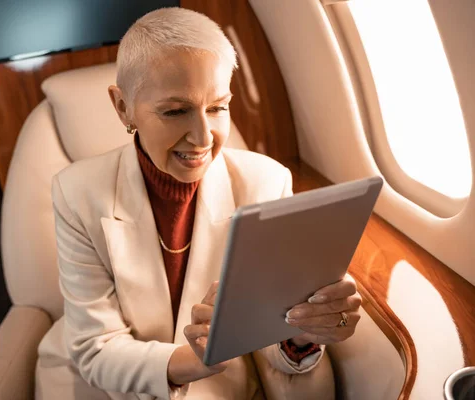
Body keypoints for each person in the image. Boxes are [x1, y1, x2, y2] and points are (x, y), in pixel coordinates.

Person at [35, 7, 361, 400]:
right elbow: (94, 348)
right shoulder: (76, 193)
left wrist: (304, 332)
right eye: (175, 111)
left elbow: (271, 336)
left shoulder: (266, 183)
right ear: (123, 107)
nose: (203, 137)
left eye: (217, 107)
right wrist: (191, 360)